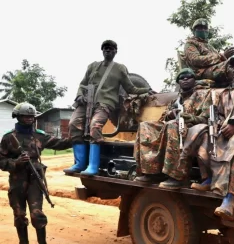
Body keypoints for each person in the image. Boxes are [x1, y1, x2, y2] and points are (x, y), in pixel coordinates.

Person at [181, 54, 234, 220]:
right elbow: (219, 113)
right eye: (232, 66)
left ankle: (230, 199)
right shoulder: (226, 92)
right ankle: (208, 179)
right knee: (203, 133)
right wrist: (217, 125)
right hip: (225, 129)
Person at [64, 40, 156, 176]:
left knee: (95, 126)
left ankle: (93, 166)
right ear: (102, 51)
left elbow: (130, 87)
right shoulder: (92, 66)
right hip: (87, 101)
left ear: (115, 51)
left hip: (105, 103)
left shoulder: (120, 68)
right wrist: (79, 95)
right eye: (105, 48)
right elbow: (83, 84)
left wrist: (146, 90)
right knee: (73, 124)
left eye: (111, 48)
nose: (108, 50)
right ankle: (79, 163)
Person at [0, 102, 72, 244]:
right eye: (26, 116)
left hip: (35, 180)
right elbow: (1, 160)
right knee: (19, 215)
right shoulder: (8, 138)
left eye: (32, 116)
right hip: (17, 180)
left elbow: (60, 143)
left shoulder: (39, 136)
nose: (30, 119)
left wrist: (77, 139)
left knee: (37, 214)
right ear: (18, 117)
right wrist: (16, 163)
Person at [134, 68, 212, 189]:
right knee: (146, 126)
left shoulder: (204, 95)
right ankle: (151, 172)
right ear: (178, 82)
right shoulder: (176, 99)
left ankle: (176, 176)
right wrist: (170, 114)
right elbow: (163, 119)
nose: (185, 79)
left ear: (194, 80)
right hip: (172, 126)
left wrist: (185, 117)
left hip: (193, 129)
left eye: (189, 77)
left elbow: (205, 118)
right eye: (182, 78)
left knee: (172, 126)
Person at [183, 18, 234, 86]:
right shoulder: (190, 43)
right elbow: (195, 60)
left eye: (205, 28)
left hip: (214, 69)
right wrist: (220, 56)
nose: (203, 30)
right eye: (199, 28)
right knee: (230, 65)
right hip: (201, 73)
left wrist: (230, 56)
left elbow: (219, 61)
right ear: (194, 31)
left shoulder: (209, 46)